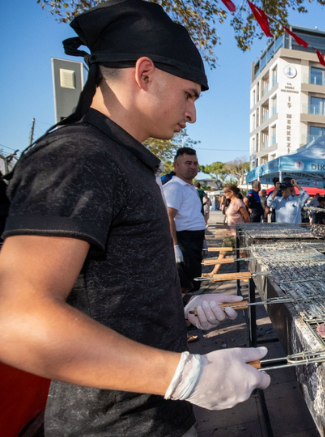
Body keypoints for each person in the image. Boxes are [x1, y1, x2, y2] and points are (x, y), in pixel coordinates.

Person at [0, 1, 270, 435]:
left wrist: (178, 310)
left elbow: (106, 295)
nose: (192, 113)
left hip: (159, 416)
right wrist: (186, 376)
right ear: (144, 75)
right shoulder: (78, 155)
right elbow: (14, 319)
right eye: (189, 95)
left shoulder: (125, 160)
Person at [163, 147, 207, 294]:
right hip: (183, 240)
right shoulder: (174, 188)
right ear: (176, 165)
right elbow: (168, 217)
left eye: (195, 163)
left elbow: (194, 215)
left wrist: (203, 241)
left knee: (193, 284)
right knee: (184, 287)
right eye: (188, 163)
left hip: (194, 240)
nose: (193, 167)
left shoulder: (190, 188)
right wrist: (175, 246)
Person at [207, 184, 249, 277]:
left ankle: (253, 271)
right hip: (231, 233)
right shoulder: (231, 202)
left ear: (231, 192)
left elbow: (247, 218)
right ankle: (213, 272)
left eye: (225, 192)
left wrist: (242, 231)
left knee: (244, 254)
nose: (224, 194)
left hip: (238, 234)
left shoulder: (238, 203)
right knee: (222, 252)